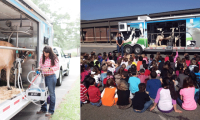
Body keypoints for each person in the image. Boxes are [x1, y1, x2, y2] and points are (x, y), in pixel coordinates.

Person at [37, 46, 59, 117]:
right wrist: (39, 68)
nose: (45, 54)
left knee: (51, 94)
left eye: (46, 53)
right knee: (42, 93)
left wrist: (49, 69)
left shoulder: (54, 57)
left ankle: (51, 111)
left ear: (50, 52)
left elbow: (57, 67)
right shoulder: (42, 56)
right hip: (43, 77)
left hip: (51, 77)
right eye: (44, 53)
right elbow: (40, 64)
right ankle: (43, 108)